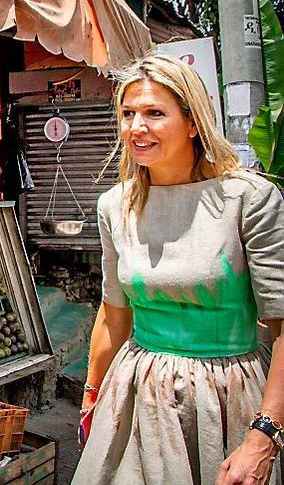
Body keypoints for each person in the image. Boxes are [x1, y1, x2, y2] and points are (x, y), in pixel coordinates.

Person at [73, 53, 284, 485]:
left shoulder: (249, 199)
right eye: (128, 114)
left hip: (228, 397)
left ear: (192, 122)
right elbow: (114, 314)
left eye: (154, 113)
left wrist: (264, 438)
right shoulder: (115, 206)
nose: (136, 127)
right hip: (135, 395)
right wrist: (92, 398)